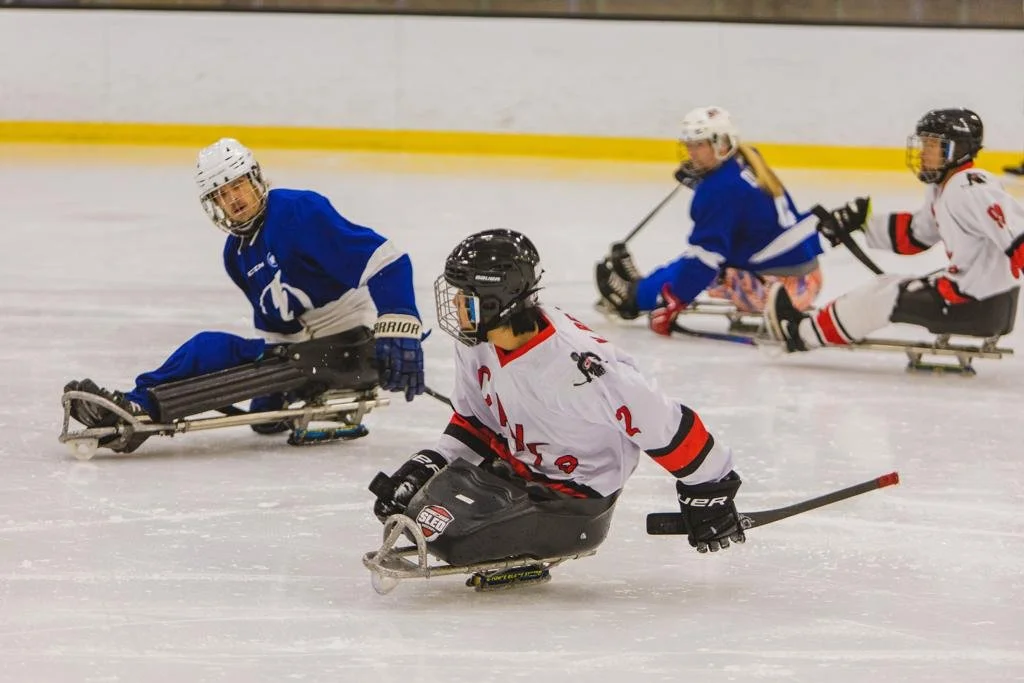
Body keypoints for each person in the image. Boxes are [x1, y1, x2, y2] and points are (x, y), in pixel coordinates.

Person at [369, 228, 746, 580]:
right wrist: (432, 461)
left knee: (454, 537)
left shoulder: (578, 366)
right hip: (515, 471)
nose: (454, 305)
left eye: (463, 296)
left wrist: (709, 487)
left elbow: (661, 420)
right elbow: (477, 425)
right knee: (420, 511)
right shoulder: (477, 343)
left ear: (494, 301)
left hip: (574, 497)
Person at [63, 138, 425, 446]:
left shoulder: (298, 211)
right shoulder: (236, 255)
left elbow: (386, 260)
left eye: (237, 185)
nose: (233, 199)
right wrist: (272, 396)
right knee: (211, 347)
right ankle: (135, 403)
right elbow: (278, 332)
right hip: (307, 354)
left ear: (255, 179)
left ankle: (140, 410)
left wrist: (401, 323)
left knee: (219, 352)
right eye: (221, 194)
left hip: (353, 349)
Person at [765, 108, 1022, 353]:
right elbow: (916, 236)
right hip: (975, 296)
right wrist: (861, 223)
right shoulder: (944, 187)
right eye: (923, 144)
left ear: (958, 150)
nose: (923, 153)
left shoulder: (971, 189)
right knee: (885, 286)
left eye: (932, 146)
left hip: (977, 304)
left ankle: (798, 334)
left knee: (881, 298)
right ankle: (809, 328)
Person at [595, 106, 824, 336]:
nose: (691, 152)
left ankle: (636, 298)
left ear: (721, 144)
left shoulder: (719, 190)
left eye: (699, 144)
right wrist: (702, 183)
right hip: (805, 280)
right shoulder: (747, 159)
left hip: (778, 293)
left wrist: (675, 300)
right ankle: (645, 287)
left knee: (699, 258)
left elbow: (704, 262)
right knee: (704, 252)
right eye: (688, 144)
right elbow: (740, 205)